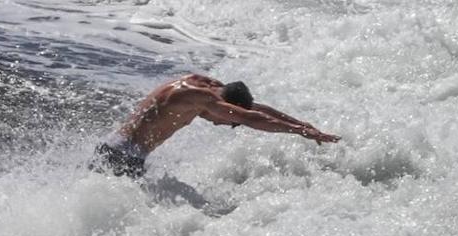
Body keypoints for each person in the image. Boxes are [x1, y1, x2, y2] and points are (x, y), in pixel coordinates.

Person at [93, 74, 339, 178]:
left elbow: (254, 109)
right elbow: (250, 118)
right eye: (228, 121)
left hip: (120, 151)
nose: (221, 124)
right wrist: (299, 132)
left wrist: (301, 122)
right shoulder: (202, 97)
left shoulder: (210, 87)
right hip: (122, 157)